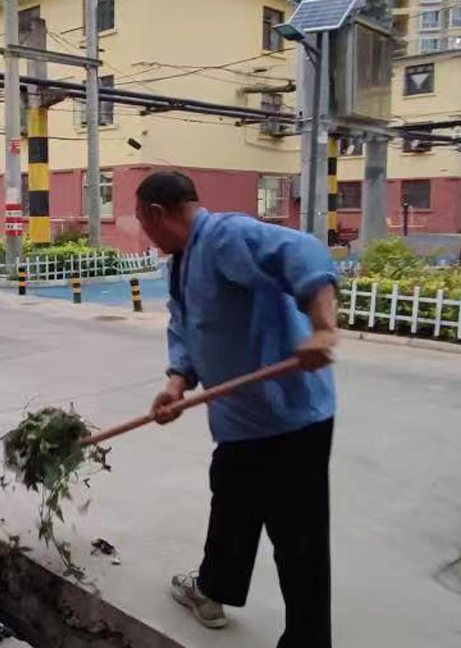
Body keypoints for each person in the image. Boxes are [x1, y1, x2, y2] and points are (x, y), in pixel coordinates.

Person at [135, 171, 338, 648]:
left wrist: (323, 327)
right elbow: (186, 325)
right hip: (240, 420)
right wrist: (177, 382)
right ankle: (213, 589)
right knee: (231, 500)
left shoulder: (225, 237)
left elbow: (305, 252)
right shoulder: (181, 262)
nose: (145, 233)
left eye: (143, 222)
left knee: (298, 539)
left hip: (289, 419)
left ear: (159, 214)